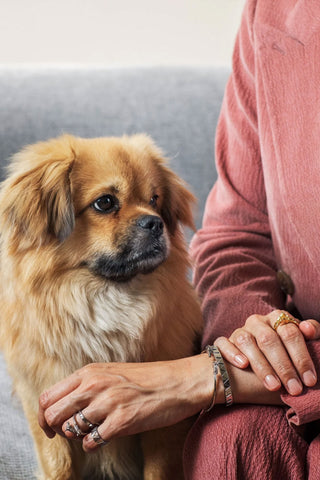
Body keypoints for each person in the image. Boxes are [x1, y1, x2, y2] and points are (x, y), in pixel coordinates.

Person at [38, 0, 320, 478]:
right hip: (284, 347)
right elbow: (238, 231)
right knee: (228, 444)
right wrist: (247, 340)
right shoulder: (270, 10)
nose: (147, 220)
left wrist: (211, 374)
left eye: (153, 204)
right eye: (107, 204)